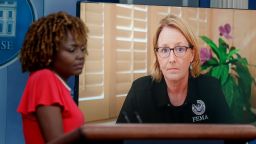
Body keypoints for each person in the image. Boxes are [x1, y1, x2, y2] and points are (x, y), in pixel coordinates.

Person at [116, 14, 234, 124]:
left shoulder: (210, 88)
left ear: (192, 54)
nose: (172, 59)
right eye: (164, 50)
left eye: (180, 49)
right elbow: (119, 138)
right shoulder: (139, 91)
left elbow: (230, 136)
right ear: (157, 56)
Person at [17, 11, 88, 144]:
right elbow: (56, 141)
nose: (80, 55)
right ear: (49, 51)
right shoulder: (44, 78)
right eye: (72, 50)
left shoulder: (57, 83)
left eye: (82, 49)